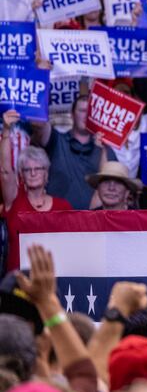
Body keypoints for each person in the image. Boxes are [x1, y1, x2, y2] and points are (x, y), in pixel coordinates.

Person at [1, 114, 72, 273]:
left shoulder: (63, 206)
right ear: (22, 175)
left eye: (38, 168)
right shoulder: (14, 200)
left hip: (52, 282)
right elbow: (5, 172)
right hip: (17, 285)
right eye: (27, 169)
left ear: (46, 173)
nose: (33, 173)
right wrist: (6, 130)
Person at [31, 95, 117, 211]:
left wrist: (103, 150)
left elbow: (114, 186)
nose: (86, 115)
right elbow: (41, 126)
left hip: (94, 222)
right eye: (82, 111)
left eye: (90, 112)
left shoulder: (105, 149)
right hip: (59, 219)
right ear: (72, 115)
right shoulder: (57, 141)